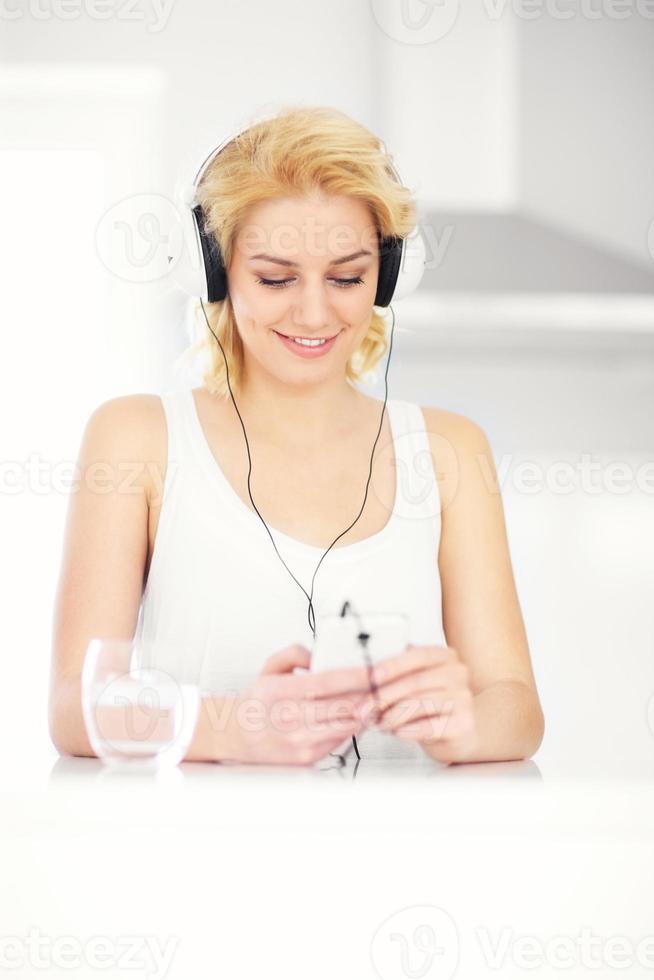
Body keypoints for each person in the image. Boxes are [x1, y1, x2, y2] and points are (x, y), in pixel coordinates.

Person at [48, 105, 544, 767]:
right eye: (275, 277)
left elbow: (515, 707)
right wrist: (232, 728)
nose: (314, 312)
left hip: (415, 860)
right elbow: (74, 704)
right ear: (214, 272)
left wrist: (465, 724)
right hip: (183, 862)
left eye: (347, 277)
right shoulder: (137, 438)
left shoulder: (451, 452)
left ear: (389, 275)